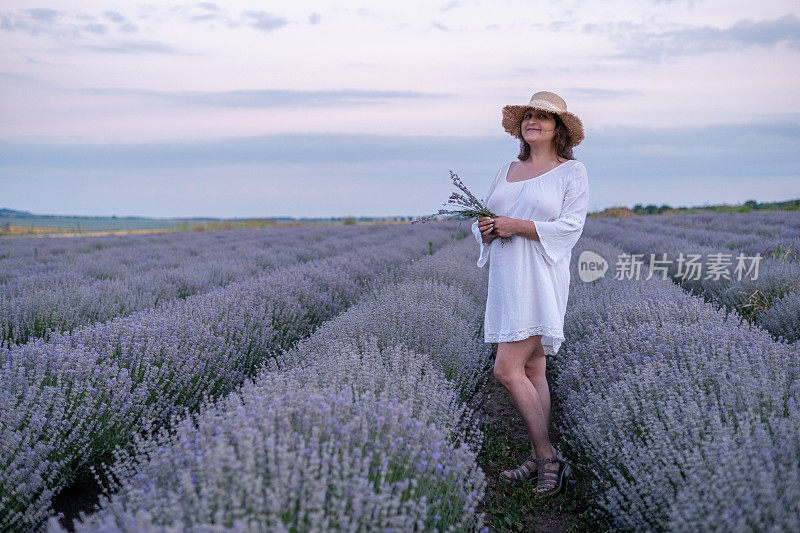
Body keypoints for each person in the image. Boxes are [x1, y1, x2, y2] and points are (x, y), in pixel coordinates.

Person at [470, 90, 589, 497]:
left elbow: (572, 226)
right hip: (506, 277)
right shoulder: (507, 169)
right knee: (533, 370)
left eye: (543, 116)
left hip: (540, 277)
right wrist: (485, 229)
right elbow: (485, 216)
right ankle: (541, 458)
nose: (532, 121)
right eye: (528, 116)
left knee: (507, 370)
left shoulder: (572, 173)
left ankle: (547, 455)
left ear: (559, 129)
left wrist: (516, 226)